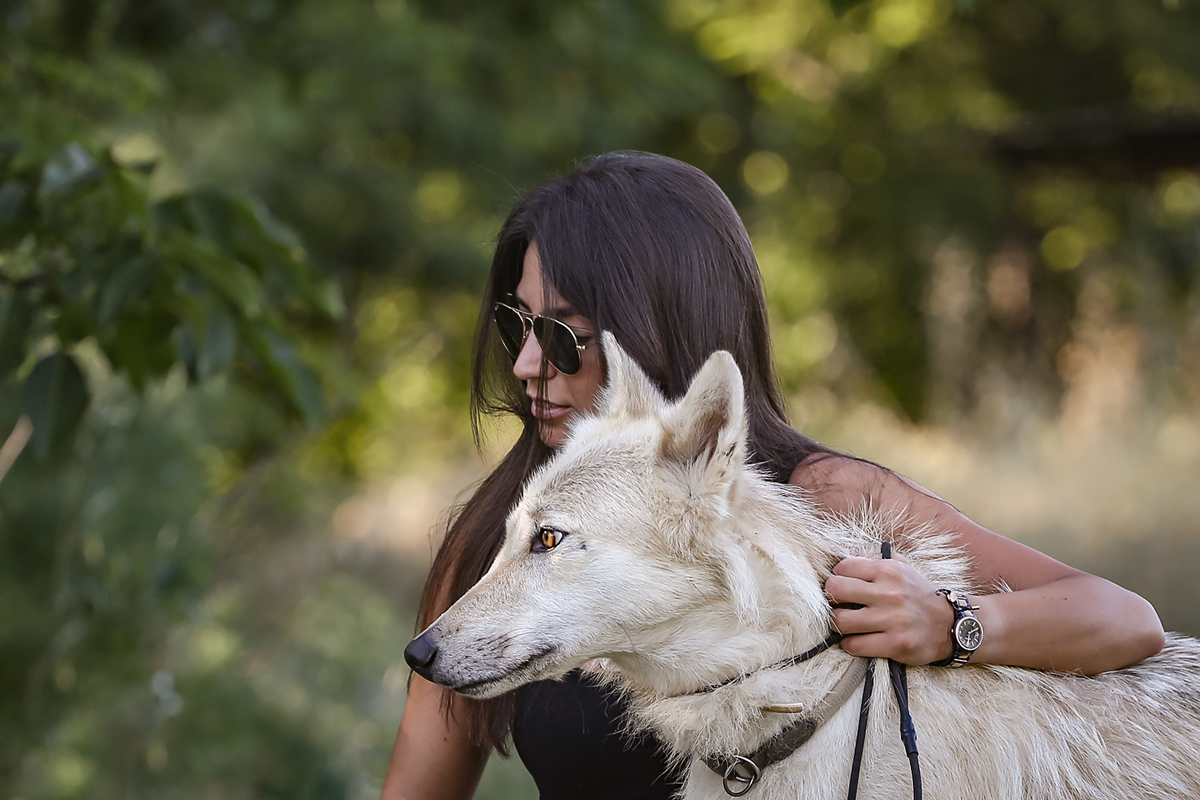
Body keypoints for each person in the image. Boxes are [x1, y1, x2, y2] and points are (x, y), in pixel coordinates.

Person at [380, 152, 1165, 800]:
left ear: (653, 328)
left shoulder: (827, 502)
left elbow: (1124, 619)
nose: (523, 366)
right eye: (516, 325)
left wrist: (955, 627)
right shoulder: (495, 532)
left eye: (562, 337)